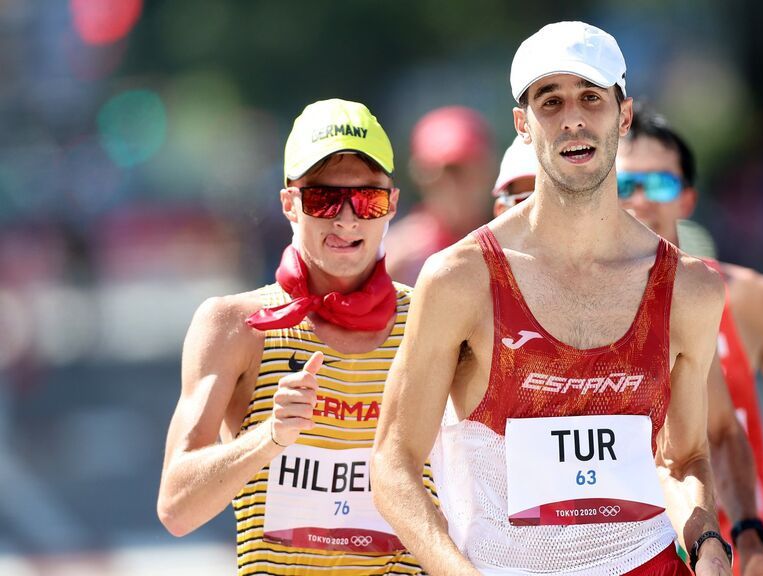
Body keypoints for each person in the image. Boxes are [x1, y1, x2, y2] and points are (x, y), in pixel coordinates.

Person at [373, 22, 733, 576]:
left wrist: (709, 544)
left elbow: (685, 459)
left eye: (591, 97)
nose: (572, 118)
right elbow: (393, 465)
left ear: (624, 115)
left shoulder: (690, 288)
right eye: (550, 101)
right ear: (522, 124)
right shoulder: (460, 280)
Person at [157, 99, 434, 575]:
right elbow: (177, 507)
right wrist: (271, 437)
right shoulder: (235, 325)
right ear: (290, 203)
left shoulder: (432, 318)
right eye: (324, 199)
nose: (347, 221)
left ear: (393, 203)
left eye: (368, 200)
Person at [489, 135, 763, 576]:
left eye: (555, 191)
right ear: (499, 208)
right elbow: (401, 462)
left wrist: (739, 540)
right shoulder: (461, 292)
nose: (542, 208)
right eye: (524, 195)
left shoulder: (657, 300)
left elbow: (711, 439)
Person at [617, 104, 763, 576]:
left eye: (659, 184)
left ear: (687, 198)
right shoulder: (582, 307)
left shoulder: (749, 300)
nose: (639, 200)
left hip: (734, 551)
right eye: (623, 185)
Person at [385, 106, 496, 285]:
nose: (452, 185)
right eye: (438, 173)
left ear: (488, 170)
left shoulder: (514, 242)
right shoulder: (399, 258)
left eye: (462, 170)